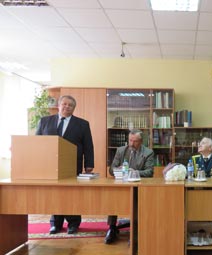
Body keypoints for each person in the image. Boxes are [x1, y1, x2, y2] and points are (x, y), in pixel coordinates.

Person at [36, 95, 94, 235]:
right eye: (64, 104)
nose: (66, 107)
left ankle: (73, 223)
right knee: (55, 194)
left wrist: (89, 164)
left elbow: (88, 146)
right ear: (59, 105)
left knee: (72, 194)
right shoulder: (45, 121)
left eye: (70, 105)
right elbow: (36, 143)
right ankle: (55, 223)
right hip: (50, 166)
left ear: (74, 108)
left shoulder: (82, 124)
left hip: (73, 165)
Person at [105, 129, 154, 244]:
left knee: (138, 201)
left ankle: (137, 229)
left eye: (135, 141)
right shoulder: (121, 150)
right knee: (112, 198)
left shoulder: (148, 152)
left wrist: (134, 172)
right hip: (121, 185)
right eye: (130, 140)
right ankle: (112, 228)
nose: (132, 144)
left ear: (141, 141)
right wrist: (119, 169)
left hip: (139, 186)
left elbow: (150, 172)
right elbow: (111, 170)